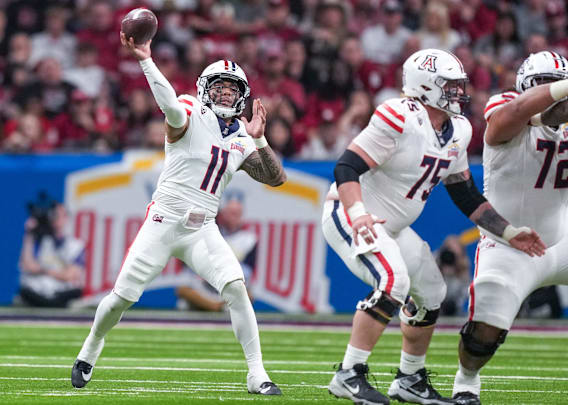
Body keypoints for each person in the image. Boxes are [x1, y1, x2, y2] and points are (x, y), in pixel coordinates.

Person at [320, 48, 546, 405]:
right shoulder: (399, 115)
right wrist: (359, 213)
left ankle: (409, 378)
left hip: (392, 227)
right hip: (353, 214)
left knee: (432, 293)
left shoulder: (458, 128)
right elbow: (346, 167)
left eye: (459, 85)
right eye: (450, 85)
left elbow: (465, 194)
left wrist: (507, 231)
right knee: (394, 282)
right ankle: (349, 373)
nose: (458, 92)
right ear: (424, 86)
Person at [70, 31, 287, 396]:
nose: (224, 94)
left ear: (242, 97)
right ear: (205, 89)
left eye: (232, 90)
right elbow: (169, 105)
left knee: (236, 288)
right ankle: (91, 346)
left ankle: (257, 374)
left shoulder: (242, 137)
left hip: (202, 228)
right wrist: (145, 59)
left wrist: (261, 139)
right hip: (163, 221)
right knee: (122, 297)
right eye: (219, 87)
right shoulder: (189, 110)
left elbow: (275, 178)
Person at [451, 50, 568, 405]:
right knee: (483, 330)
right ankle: (467, 380)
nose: (557, 92)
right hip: (509, 240)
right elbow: (515, 115)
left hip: (561, 239)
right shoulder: (506, 106)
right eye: (549, 85)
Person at [175, 197, 258, 312]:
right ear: (222, 214)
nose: (233, 217)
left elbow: (248, 271)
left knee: (248, 295)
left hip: (228, 285)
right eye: (230, 213)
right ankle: (216, 307)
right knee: (183, 290)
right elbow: (186, 264)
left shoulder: (248, 239)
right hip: (203, 283)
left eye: (236, 214)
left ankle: (213, 306)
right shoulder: (207, 233)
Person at [17, 200, 84, 308]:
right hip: (38, 292)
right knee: (25, 291)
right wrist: (29, 235)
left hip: (61, 294)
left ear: (66, 217)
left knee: (76, 292)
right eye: (53, 214)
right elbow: (27, 266)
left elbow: (70, 275)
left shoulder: (75, 245)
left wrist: (44, 271)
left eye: (59, 215)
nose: (55, 218)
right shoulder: (40, 239)